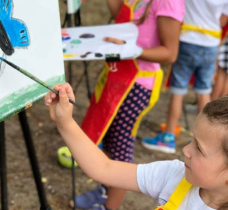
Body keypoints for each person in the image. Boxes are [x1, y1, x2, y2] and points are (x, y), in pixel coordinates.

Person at [45, 83, 228, 210]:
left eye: (199, 149)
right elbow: (103, 168)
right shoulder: (175, 175)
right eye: (192, 140)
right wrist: (65, 122)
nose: (185, 150)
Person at [78, 0, 185, 209]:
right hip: (119, 77)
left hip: (137, 85)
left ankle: (110, 206)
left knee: (120, 149)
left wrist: (131, 50)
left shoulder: (169, 3)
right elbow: (123, 18)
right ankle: (105, 190)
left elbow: (170, 53)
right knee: (108, 141)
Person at [142, 0, 228, 154]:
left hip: (188, 40)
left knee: (178, 91)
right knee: (204, 90)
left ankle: (168, 137)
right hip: (211, 42)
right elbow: (224, 19)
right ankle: (207, 140)